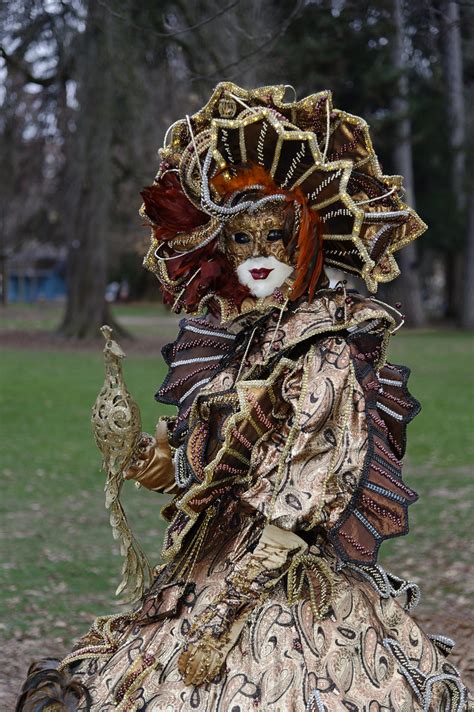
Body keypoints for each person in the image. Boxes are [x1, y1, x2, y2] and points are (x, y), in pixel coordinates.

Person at [17, 82, 472, 712]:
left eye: (274, 236)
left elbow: (315, 479)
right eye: (240, 238)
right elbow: (221, 464)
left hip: (287, 571)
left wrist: (231, 603)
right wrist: (164, 468)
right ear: (220, 247)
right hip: (212, 559)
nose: (257, 254)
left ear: (303, 239)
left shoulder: (326, 347)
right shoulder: (240, 344)